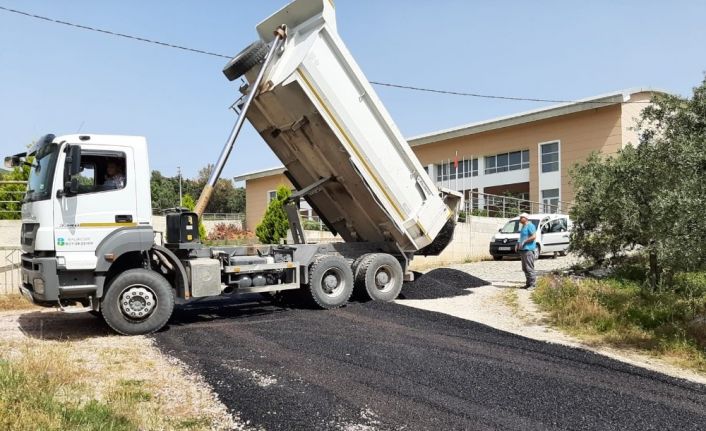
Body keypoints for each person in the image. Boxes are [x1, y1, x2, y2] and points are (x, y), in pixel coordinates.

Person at [516, 213, 537, 290]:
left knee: (529, 268)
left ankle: (533, 285)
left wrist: (525, 241)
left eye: (521, 217)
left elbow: (534, 236)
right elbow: (521, 237)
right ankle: (528, 284)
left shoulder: (530, 226)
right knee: (524, 268)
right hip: (523, 250)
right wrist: (517, 244)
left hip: (528, 249)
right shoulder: (523, 226)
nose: (520, 219)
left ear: (526, 218)